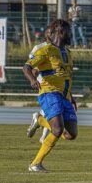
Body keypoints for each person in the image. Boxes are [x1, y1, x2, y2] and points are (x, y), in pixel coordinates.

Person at [21, 19, 78, 172]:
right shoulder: (45, 50)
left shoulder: (68, 53)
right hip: (49, 92)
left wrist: (71, 97)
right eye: (68, 31)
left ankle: (40, 120)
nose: (70, 34)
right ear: (60, 32)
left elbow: (66, 76)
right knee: (58, 129)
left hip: (65, 96)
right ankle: (35, 164)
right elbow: (26, 67)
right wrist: (32, 79)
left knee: (71, 134)